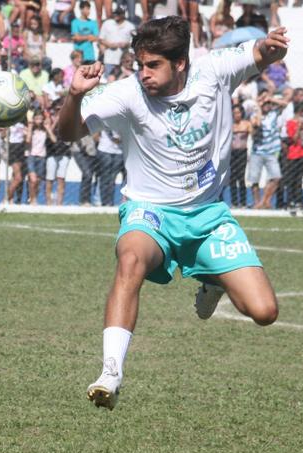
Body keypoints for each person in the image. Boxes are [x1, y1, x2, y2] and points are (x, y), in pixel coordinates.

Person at [57, 17, 284, 410]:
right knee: (130, 260)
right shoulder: (127, 93)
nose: (143, 74)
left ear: (181, 63)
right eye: (140, 65)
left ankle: (211, 278)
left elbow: (259, 53)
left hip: (208, 216)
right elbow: (66, 133)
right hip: (150, 213)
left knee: (264, 311)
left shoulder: (212, 70)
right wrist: (75, 96)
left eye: (153, 65)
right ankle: (111, 370)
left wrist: (271, 47)